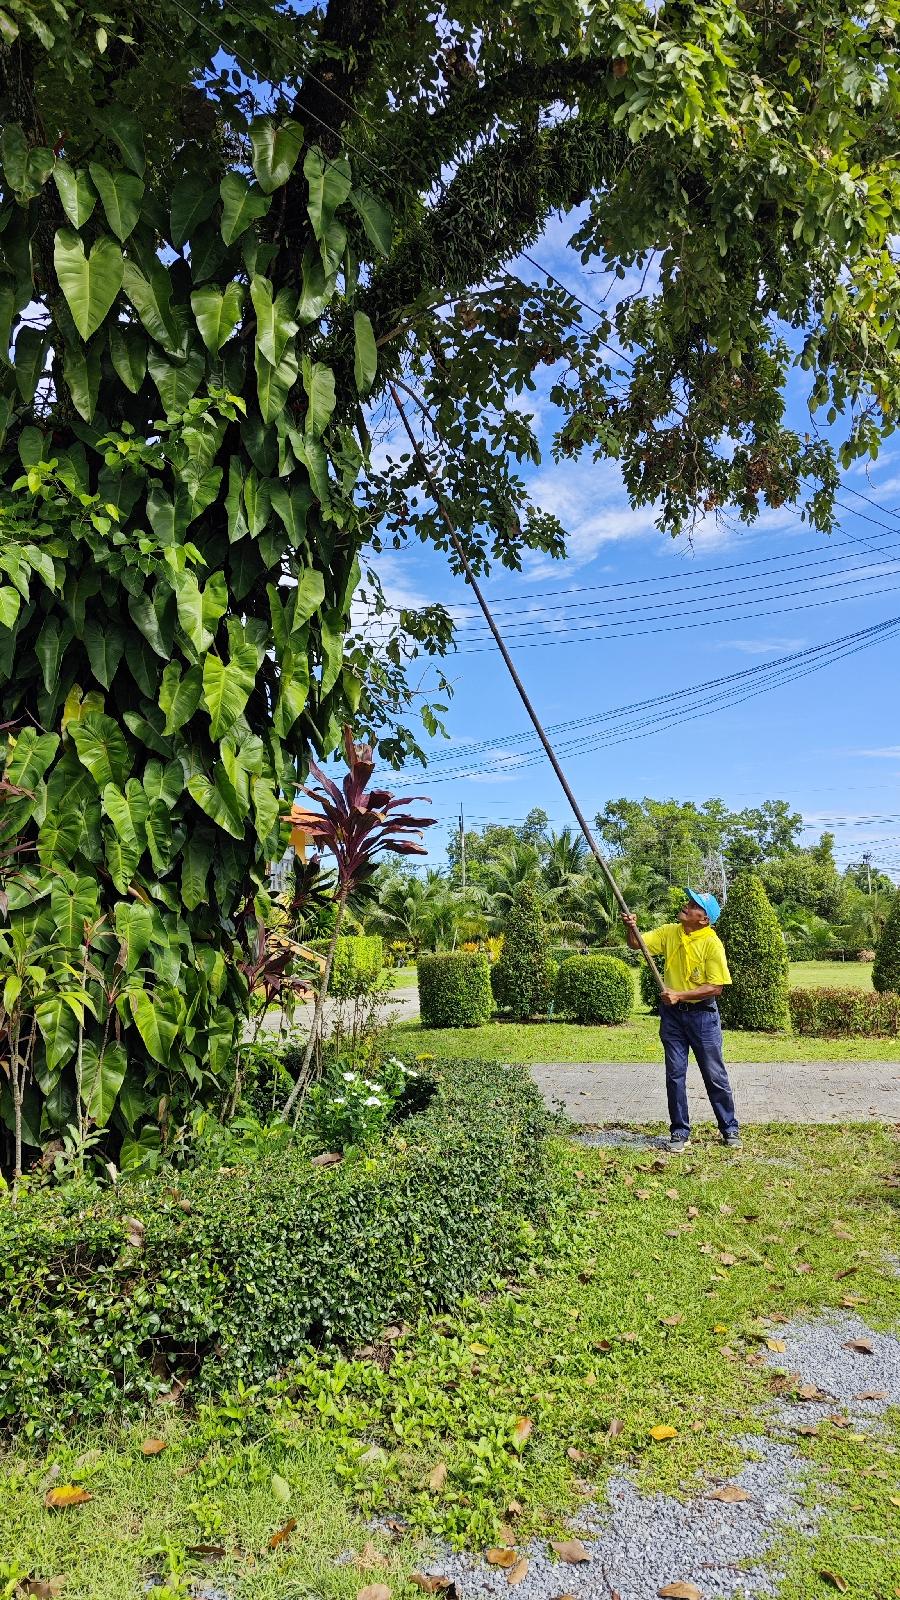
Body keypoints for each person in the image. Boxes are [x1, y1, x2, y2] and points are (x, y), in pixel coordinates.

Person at [622, 889, 741, 1154]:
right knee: (675, 1074)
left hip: (703, 1017)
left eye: (694, 905)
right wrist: (631, 928)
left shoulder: (711, 943)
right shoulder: (669, 932)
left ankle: (729, 1127)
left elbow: (716, 987)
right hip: (673, 1017)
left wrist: (679, 995)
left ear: (704, 919)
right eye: (689, 902)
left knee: (714, 1074)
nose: (687, 906)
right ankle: (679, 1131)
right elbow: (636, 944)